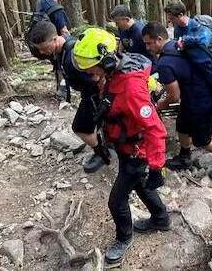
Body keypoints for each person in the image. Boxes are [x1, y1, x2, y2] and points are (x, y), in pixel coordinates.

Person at [72, 31, 170, 266]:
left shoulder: (131, 89)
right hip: (125, 147)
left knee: (116, 201)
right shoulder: (116, 71)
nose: (88, 73)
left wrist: (157, 168)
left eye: (91, 68)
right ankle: (161, 218)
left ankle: (124, 239)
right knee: (140, 186)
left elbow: (156, 130)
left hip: (137, 152)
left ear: (105, 61)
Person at [142, 21, 212, 180]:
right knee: (182, 126)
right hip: (195, 97)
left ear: (159, 39)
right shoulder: (178, 44)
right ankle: (185, 156)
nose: (147, 48)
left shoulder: (165, 63)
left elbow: (174, 96)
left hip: (204, 102)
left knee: (202, 139)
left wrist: (158, 106)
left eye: (149, 43)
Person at [27, 21, 110, 173]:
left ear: (55, 39)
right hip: (89, 94)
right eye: (40, 50)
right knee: (98, 124)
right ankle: (107, 142)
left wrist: (102, 97)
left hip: (93, 95)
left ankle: (102, 153)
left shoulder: (72, 54)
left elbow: (97, 76)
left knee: (80, 128)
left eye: (44, 48)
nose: (43, 53)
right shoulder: (62, 50)